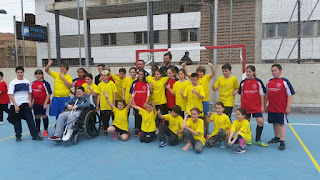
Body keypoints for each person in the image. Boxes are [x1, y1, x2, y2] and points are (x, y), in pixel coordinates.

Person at [8, 66, 43, 142]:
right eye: (18, 72)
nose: (20, 74)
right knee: (17, 122)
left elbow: (30, 93)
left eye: (21, 72)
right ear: (16, 73)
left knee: (30, 120)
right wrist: (15, 105)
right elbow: (10, 94)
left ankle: (35, 135)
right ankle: (18, 136)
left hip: (26, 104)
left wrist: (30, 101)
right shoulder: (13, 82)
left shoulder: (27, 82)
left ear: (23, 73)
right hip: (17, 105)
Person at [265, 64, 295, 150]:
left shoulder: (285, 82)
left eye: (275, 70)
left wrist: (288, 107)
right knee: (274, 122)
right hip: (272, 107)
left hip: (281, 107)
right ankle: (277, 137)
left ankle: (282, 141)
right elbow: (266, 94)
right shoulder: (269, 82)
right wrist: (265, 105)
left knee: (282, 123)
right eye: (272, 71)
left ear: (280, 71)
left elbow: (289, 95)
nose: (274, 72)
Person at [183, 62, 215, 136]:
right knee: (194, 116)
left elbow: (213, 73)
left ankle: (206, 130)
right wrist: (184, 66)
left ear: (203, 73)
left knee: (205, 117)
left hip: (205, 101)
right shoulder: (194, 78)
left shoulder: (206, 78)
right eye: (198, 72)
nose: (199, 73)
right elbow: (187, 73)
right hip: (196, 102)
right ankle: (194, 131)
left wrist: (211, 66)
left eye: (201, 72)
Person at [239, 65, 268, 147]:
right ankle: (249, 138)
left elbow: (262, 95)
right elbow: (241, 95)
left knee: (260, 122)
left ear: (254, 72)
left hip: (256, 106)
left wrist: (262, 106)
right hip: (245, 106)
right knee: (246, 123)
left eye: (250, 72)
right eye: (247, 72)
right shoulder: (243, 82)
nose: (248, 73)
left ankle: (258, 140)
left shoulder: (258, 82)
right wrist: (241, 108)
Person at [96, 70, 117, 137]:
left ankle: (116, 129)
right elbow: (99, 95)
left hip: (110, 105)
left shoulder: (111, 83)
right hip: (103, 105)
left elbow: (114, 93)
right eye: (102, 75)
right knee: (104, 119)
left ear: (108, 76)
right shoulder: (100, 85)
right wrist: (97, 105)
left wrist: (114, 102)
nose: (103, 77)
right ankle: (106, 130)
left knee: (114, 117)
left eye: (104, 75)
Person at [31, 69, 52, 137]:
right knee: (36, 116)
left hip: (44, 103)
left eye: (39, 74)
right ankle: (37, 129)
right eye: (36, 74)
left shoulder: (45, 83)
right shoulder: (33, 83)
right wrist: (31, 102)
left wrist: (45, 103)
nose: (38, 75)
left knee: (44, 116)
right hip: (36, 103)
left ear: (42, 75)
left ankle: (45, 130)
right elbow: (31, 94)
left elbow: (49, 94)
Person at [129, 69, 150, 137]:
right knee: (137, 116)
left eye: (142, 74)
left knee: (143, 117)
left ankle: (142, 129)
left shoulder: (146, 83)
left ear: (144, 75)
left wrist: (146, 103)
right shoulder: (134, 83)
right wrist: (133, 103)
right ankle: (136, 129)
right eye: (139, 74)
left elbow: (148, 94)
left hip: (143, 103)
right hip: (136, 103)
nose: (140, 76)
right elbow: (132, 93)